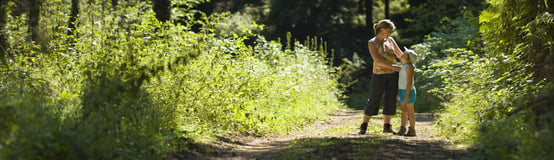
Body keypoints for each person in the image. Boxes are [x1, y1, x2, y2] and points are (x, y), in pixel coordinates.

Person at [359, 19, 404, 135]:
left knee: (390, 98)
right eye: (389, 31)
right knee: (374, 98)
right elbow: (378, 60)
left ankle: (387, 125)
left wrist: (409, 62)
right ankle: (364, 125)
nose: (390, 34)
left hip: (393, 75)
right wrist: (396, 67)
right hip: (379, 74)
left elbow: (400, 54)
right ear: (382, 30)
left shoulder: (390, 40)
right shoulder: (372, 42)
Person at [395, 47, 417, 136]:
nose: (402, 55)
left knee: (410, 111)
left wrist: (407, 94)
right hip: (402, 90)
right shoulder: (403, 67)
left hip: (409, 91)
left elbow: (409, 82)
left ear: (408, 58)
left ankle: (412, 129)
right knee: (403, 110)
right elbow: (394, 67)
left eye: (404, 54)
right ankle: (402, 128)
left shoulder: (409, 68)